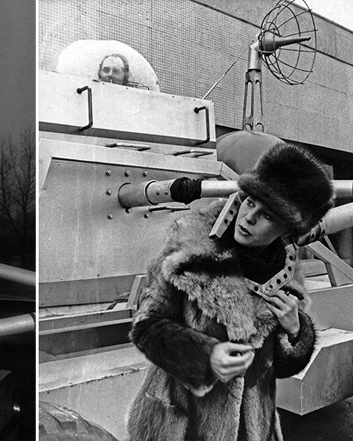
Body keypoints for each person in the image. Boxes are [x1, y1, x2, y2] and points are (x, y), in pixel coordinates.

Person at [126, 143, 333, 441]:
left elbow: (282, 368)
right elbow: (145, 327)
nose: (249, 218)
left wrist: (297, 331)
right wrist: (205, 356)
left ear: (287, 231)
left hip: (252, 427)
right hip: (180, 425)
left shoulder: (286, 273)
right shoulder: (186, 247)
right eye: (249, 202)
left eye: (268, 216)